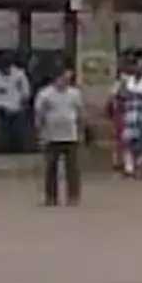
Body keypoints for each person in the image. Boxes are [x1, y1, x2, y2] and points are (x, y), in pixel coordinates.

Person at [35, 65, 86, 207]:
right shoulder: (45, 94)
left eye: (67, 79)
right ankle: (50, 196)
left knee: (72, 168)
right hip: (51, 136)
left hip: (70, 135)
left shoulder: (74, 93)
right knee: (50, 168)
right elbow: (39, 114)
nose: (65, 81)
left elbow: (80, 113)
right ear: (56, 79)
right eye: (63, 78)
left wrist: (81, 132)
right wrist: (40, 133)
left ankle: (73, 196)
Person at [0, 54, 32, 156]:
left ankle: (16, 148)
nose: (4, 70)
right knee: (0, 129)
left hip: (16, 106)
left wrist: (23, 101)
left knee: (16, 130)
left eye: (7, 67)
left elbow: (26, 91)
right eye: (3, 68)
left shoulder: (19, 74)